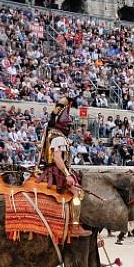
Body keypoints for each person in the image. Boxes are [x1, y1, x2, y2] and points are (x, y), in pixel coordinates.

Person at [36, 97, 91, 239]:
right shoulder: (59, 138)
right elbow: (57, 158)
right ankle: (75, 226)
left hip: (52, 169)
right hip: (57, 171)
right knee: (77, 194)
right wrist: (67, 174)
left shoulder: (52, 134)